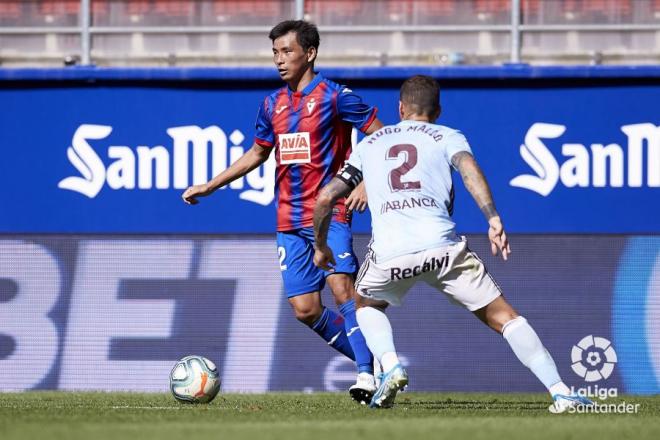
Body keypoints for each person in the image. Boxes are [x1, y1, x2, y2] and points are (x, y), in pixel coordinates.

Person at [312, 75, 594, 412]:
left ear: (400, 108)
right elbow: (468, 167)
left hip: (391, 253)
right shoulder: (447, 136)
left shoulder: (369, 144)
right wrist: (492, 217)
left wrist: (320, 244)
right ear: (438, 110)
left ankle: (391, 366)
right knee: (505, 317)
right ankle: (560, 392)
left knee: (366, 305)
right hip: (443, 248)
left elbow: (325, 198)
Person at [182, 20, 381, 403]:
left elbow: (382, 135)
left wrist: (365, 182)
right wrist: (211, 184)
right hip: (288, 218)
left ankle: (365, 375)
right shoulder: (272, 104)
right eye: (275, 52)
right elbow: (258, 152)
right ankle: (378, 362)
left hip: (330, 210)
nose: (279, 59)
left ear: (310, 53)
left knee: (343, 288)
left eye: (286, 51)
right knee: (306, 310)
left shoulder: (336, 96)